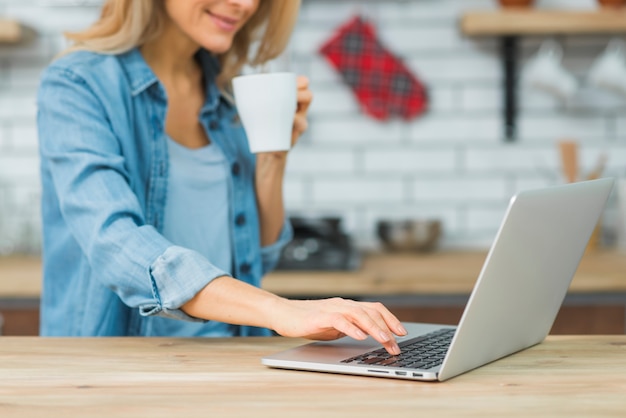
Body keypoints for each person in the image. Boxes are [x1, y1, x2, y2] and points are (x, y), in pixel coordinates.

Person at [36, 0, 406, 355]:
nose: (245, 3)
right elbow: (114, 242)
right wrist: (282, 310)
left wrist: (273, 155)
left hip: (230, 352)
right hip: (121, 363)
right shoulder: (77, 84)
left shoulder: (226, 94)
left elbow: (257, 257)